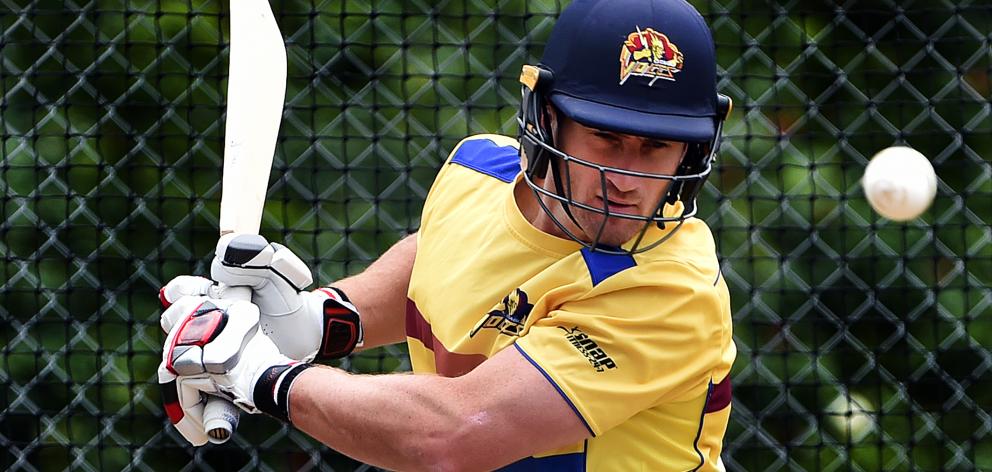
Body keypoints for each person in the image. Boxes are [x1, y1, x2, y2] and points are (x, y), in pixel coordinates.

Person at [157, 0, 736, 469]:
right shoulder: (476, 172)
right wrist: (320, 319)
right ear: (549, 119)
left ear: (693, 149)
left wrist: (263, 376)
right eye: (606, 138)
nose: (628, 177)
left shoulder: (674, 292)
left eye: (656, 146)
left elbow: (453, 436)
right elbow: (442, 254)